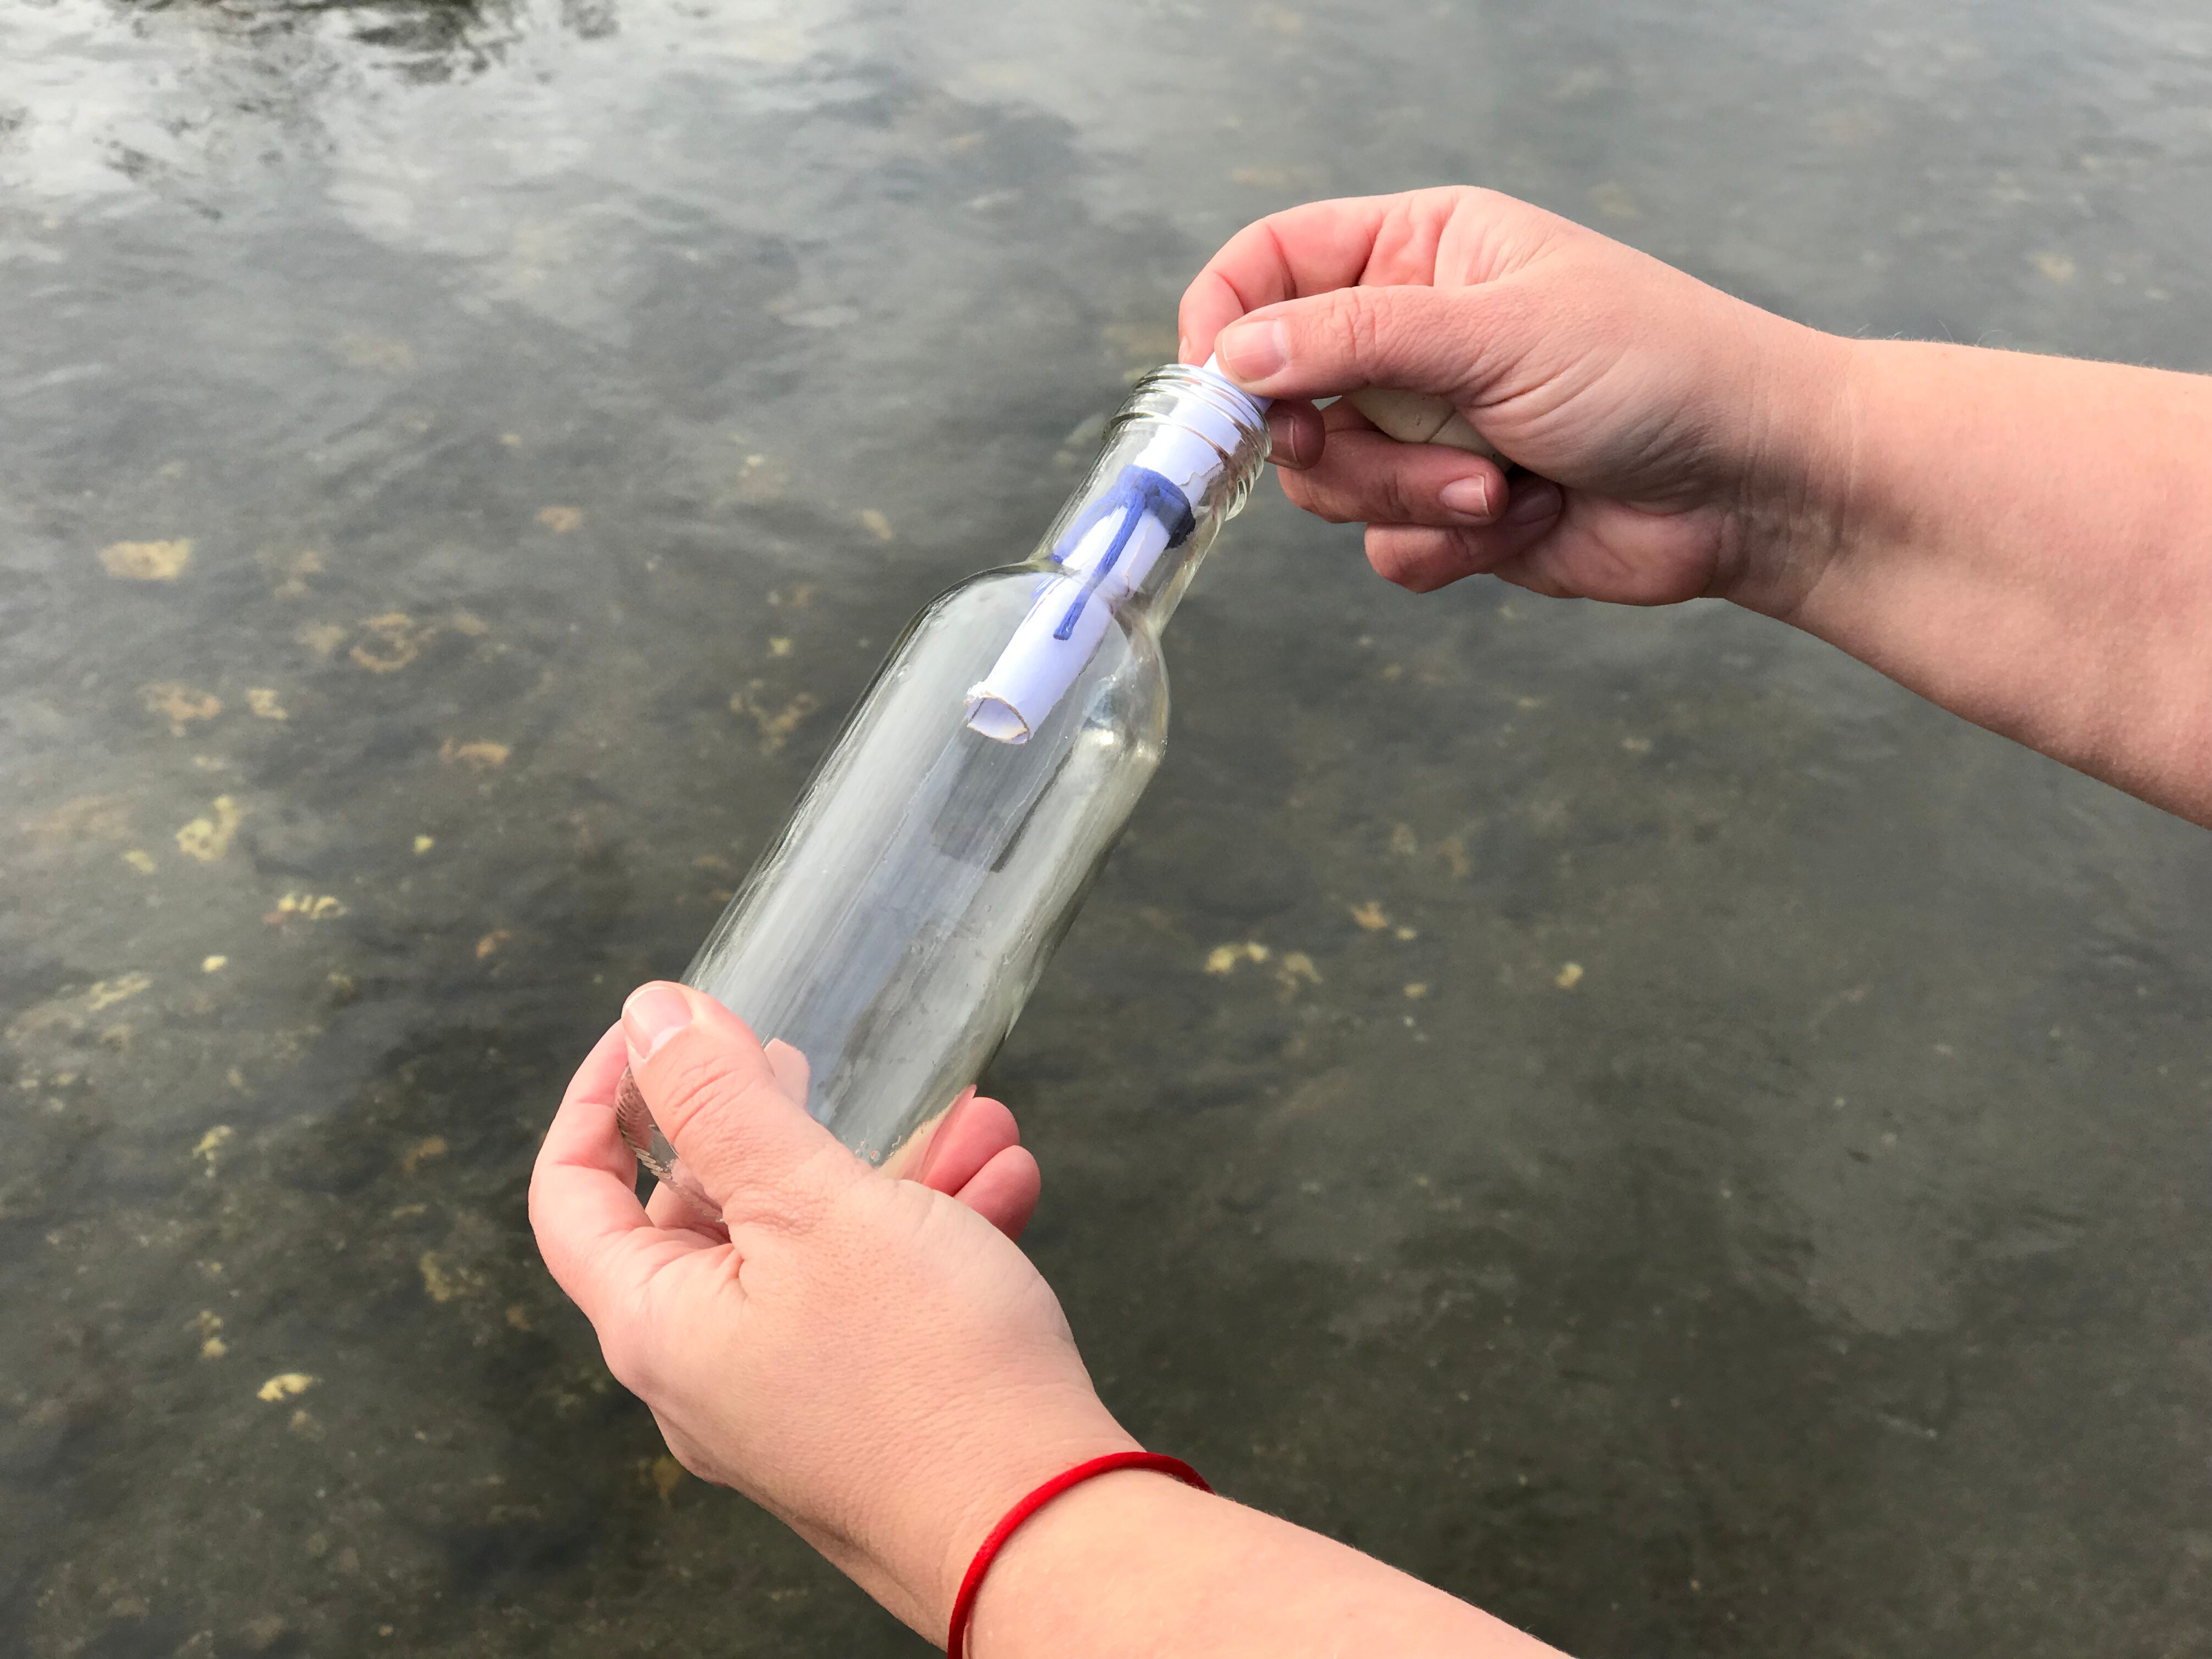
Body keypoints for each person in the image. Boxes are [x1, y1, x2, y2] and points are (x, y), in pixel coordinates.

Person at [531, 187, 2212, 1656]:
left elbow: (958, 1471)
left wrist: (975, 1496)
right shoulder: (1034, 639)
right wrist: (1783, 461)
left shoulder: (1104, 684)